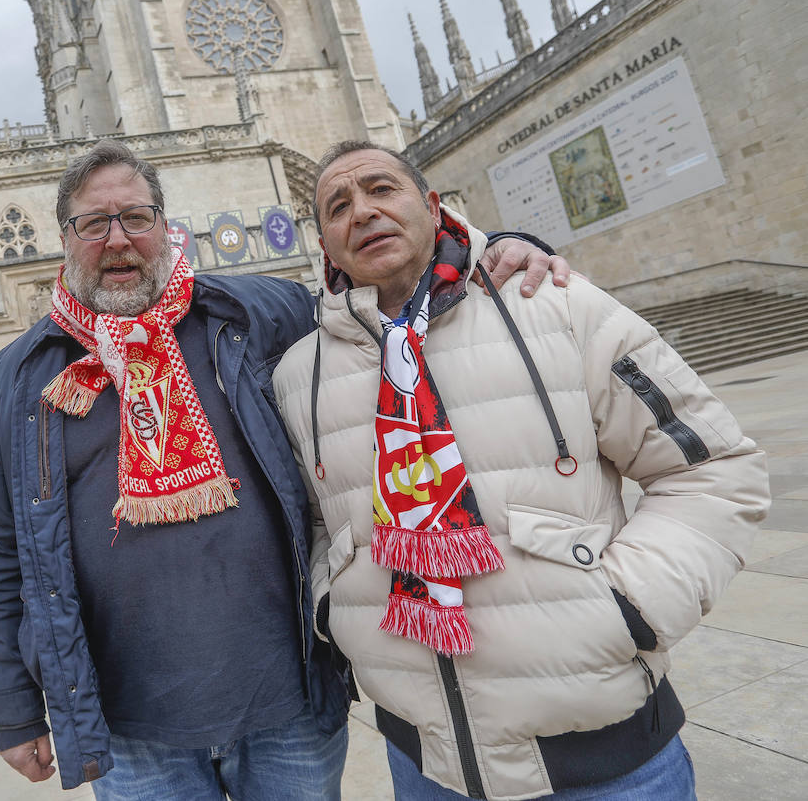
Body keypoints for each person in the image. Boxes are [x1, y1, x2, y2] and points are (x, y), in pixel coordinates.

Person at [0, 139, 567, 795]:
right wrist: (13, 708)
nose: (117, 240)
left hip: (288, 702)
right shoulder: (24, 373)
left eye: (136, 218)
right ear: (64, 238)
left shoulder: (256, 314)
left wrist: (495, 247)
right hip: (131, 725)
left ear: (165, 227)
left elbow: (391, 300)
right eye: (93, 223)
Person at [271, 140, 770, 800]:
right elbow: (315, 521)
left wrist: (630, 609)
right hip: (426, 764)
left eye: (381, 190)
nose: (362, 211)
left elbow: (713, 467)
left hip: (609, 758)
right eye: (339, 205)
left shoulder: (557, 306)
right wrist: (340, 612)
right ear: (324, 244)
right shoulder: (298, 376)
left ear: (431, 206)